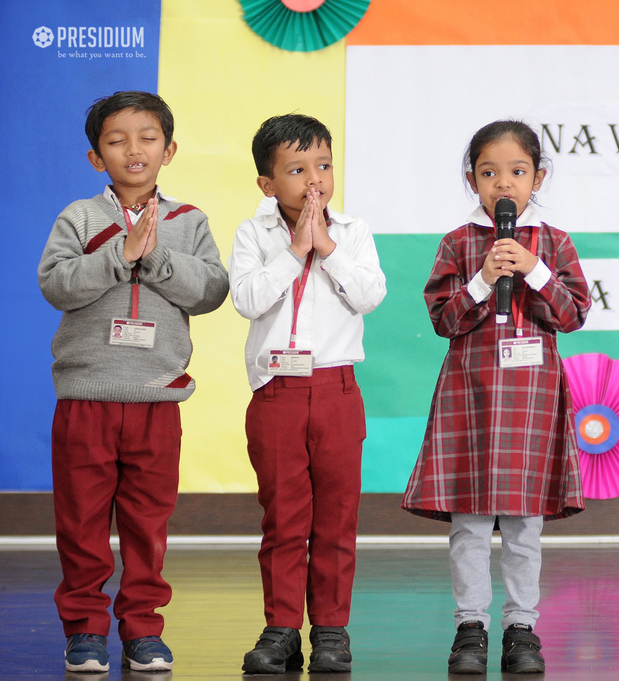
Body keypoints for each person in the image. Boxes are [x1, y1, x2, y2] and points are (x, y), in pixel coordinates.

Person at [37, 91, 229, 672]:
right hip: (87, 398)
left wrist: (157, 258)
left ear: (168, 149)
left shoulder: (189, 220)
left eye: (147, 138)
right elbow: (56, 285)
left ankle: (143, 629)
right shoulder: (78, 216)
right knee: (82, 524)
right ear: (97, 157)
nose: (133, 150)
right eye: (116, 141)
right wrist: (120, 253)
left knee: (148, 525)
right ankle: (86, 631)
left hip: (155, 397)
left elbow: (214, 289)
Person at [401, 120, 590, 675]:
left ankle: (522, 626)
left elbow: (573, 314)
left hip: (532, 401)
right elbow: (443, 319)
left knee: (525, 522)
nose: (502, 184)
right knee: (472, 523)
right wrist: (482, 279)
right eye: (489, 173)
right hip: (472, 397)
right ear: (471, 179)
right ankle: (470, 627)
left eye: (516, 172)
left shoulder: (553, 241)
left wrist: (535, 271)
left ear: (538, 177)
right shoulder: (459, 243)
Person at [229, 114, 386, 674]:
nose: (314, 179)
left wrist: (328, 246)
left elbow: (369, 295)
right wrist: (296, 251)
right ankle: (280, 629)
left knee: (337, 516)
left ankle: (332, 629)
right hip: (277, 393)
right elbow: (247, 299)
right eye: (297, 170)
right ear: (268, 185)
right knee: (284, 519)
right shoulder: (255, 234)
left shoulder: (354, 230)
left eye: (324, 165)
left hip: (337, 388)